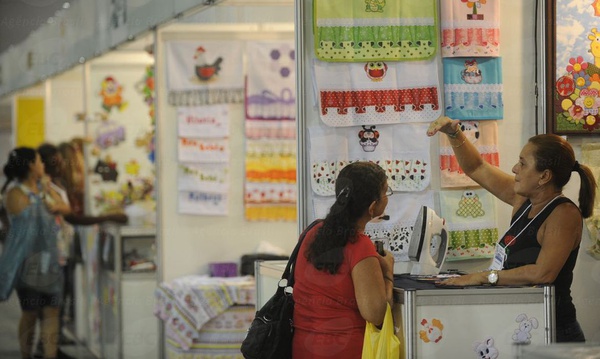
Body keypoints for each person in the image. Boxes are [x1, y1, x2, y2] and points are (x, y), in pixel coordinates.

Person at [427, 116, 596, 343]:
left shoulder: (563, 215)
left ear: (544, 176)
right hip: (522, 323)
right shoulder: (523, 199)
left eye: (523, 163)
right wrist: (454, 133)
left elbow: (542, 273)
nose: (515, 168)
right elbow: (477, 167)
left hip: (554, 331)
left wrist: (482, 277)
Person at [292, 161, 395, 358]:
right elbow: (375, 315)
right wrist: (388, 273)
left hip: (302, 348)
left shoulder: (311, 232)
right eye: (386, 192)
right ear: (373, 207)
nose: (387, 198)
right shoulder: (360, 245)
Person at [0, 147, 69, 359]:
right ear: (31, 165)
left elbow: (63, 207)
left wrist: (47, 193)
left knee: (51, 313)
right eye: (39, 161)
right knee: (30, 313)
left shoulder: (44, 187)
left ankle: (50, 355)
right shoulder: (14, 192)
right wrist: (45, 197)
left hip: (50, 261)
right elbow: (28, 217)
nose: (43, 165)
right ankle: (26, 355)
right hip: (27, 263)